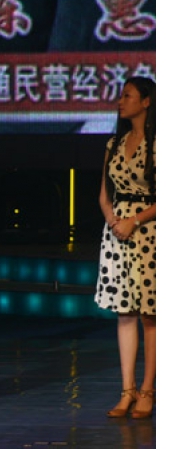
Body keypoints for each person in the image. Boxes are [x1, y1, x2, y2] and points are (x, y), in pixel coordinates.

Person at [95, 76, 156, 419]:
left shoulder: (160, 143)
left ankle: (148, 389)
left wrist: (135, 220)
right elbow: (104, 193)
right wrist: (113, 218)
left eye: (128, 96)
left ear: (146, 102)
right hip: (118, 232)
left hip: (150, 232)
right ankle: (127, 390)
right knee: (125, 312)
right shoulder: (114, 143)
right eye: (121, 95)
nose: (121, 101)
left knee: (151, 314)